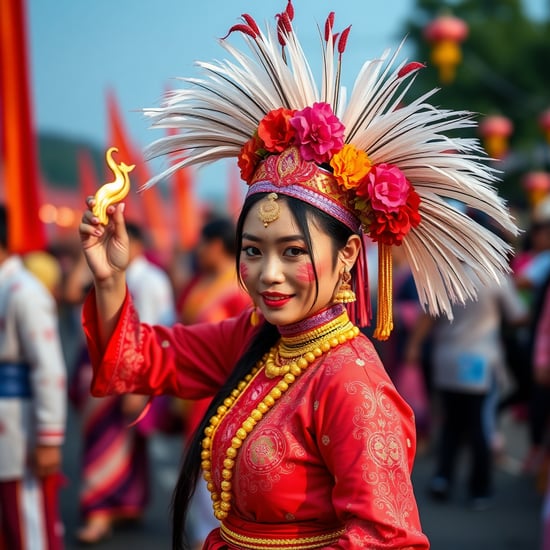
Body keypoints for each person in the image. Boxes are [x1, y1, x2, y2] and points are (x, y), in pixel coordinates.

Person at [78, 3, 517, 548]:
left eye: (292, 251)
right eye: (253, 251)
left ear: (351, 256)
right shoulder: (255, 338)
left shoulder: (351, 384)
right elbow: (143, 359)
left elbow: (386, 540)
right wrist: (110, 278)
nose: (269, 275)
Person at [68, 221, 176, 544]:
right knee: (106, 437)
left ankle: (101, 509)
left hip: (131, 364)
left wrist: (142, 383)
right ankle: (121, 504)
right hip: (98, 362)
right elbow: (71, 292)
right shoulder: (102, 267)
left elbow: (160, 328)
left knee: (117, 439)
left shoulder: (151, 279)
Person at [405, 253, 527, 509]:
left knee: (451, 423)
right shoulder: (495, 278)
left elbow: (426, 317)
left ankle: (443, 479)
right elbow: (518, 315)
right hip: (480, 362)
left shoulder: (445, 278)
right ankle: (479, 488)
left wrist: (414, 346)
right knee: (479, 424)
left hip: (447, 360)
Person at [176, 217, 252, 548]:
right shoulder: (203, 282)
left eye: (202, 244)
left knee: (217, 470)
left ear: (216, 246)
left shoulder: (239, 290)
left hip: (225, 393)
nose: (198, 251)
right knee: (196, 469)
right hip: (197, 388)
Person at [0, 205, 67, 549]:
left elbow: (48, 368)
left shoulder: (23, 291)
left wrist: (48, 438)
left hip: (17, 426)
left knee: (26, 527)